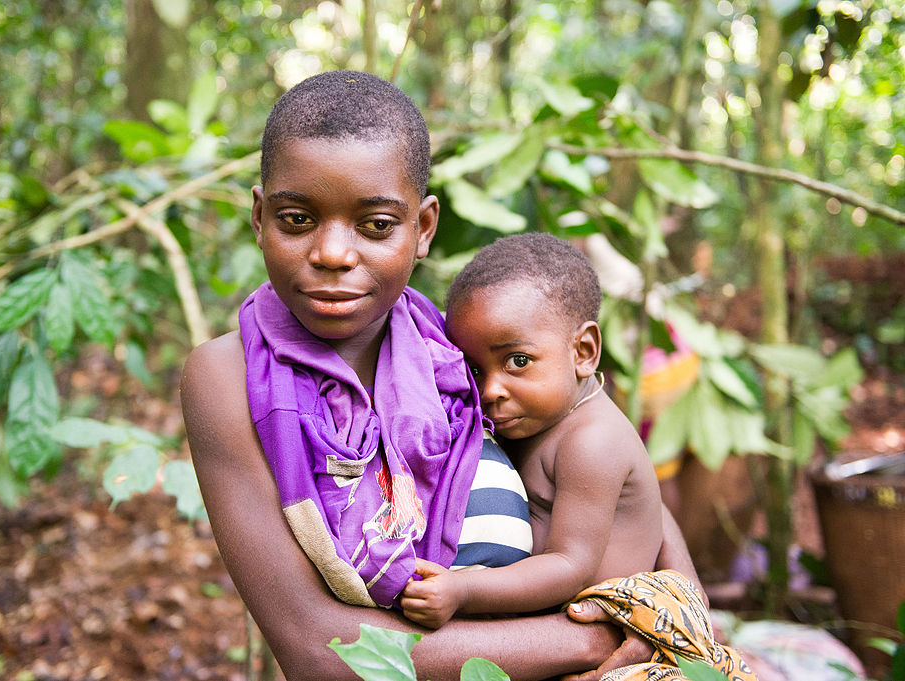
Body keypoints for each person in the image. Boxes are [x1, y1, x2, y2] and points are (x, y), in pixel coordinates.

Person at [181, 70, 703, 681]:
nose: (332, 253)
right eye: (297, 219)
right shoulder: (227, 376)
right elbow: (317, 647)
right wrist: (587, 642)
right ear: (259, 214)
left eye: (375, 225)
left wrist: (676, 601)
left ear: (422, 228)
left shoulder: (452, 350)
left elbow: (607, 467)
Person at [400, 233, 664, 629]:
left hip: (596, 635)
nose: (490, 390)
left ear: (584, 351)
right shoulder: (536, 419)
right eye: (474, 370)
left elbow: (569, 564)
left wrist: (463, 590)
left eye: (518, 361)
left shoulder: (592, 440)